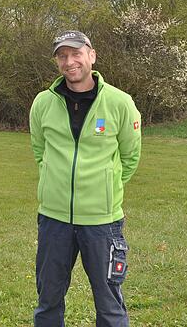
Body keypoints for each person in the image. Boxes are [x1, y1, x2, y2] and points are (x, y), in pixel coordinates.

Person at [29, 30, 142, 327]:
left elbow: (130, 157)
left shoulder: (120, 103)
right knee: (48, 303)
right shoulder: (42, 103)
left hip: (102, 223)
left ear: (91, 56)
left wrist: (108, 185)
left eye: (76, 53)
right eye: (62, 56)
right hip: (54, 221)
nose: (70, 61)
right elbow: (40, 152)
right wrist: (55, 184)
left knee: (109, 305)